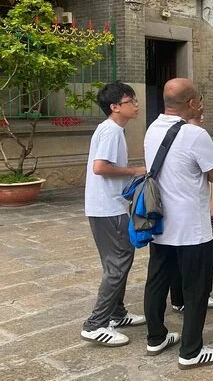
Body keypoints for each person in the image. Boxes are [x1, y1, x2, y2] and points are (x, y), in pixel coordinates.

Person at [143, 78, 213, 370]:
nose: (201, 104)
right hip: (191, 227)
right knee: (195, 288)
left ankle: (155, 337)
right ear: (191, 103)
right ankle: (191, 351)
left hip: (160, 223)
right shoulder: (195, 134)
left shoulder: (151, 129)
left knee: (157, 282)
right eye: (199, 99)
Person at [81, 81, 147, 347]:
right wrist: (135, 171)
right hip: (107, 208)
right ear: (115, 107)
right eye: (131, 101)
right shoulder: (110, 131)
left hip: (106, 206)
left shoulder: (112, 129)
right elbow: (100, 167)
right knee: (118, 263)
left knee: (119, 260)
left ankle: (117, 313)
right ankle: (95, 324)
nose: (136, 105)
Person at [170, 114, 213, 313]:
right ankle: (184, 297)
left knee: (207, 252)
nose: (202, 116)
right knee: (188, 255)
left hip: (198, 206)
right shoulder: (185, 135)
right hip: (184, 208)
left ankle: (198, 293)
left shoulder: (200, 135)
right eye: (199, 111)